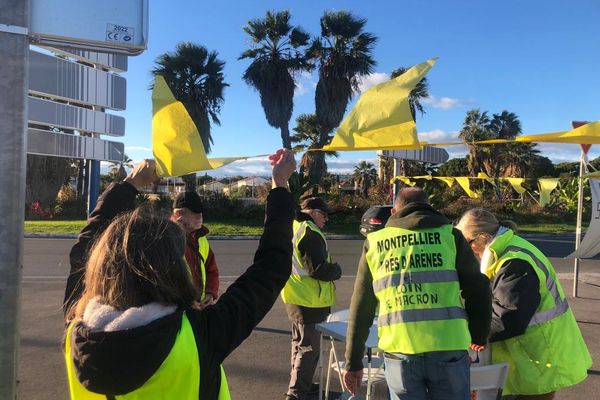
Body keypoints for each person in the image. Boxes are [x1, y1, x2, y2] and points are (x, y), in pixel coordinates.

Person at [63, 149, 297, 399]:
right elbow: (272, 266)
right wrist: (279, 184)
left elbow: (84, 248)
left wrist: (129, 184)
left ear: (100, 263)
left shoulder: (76, 325)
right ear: (173, 269)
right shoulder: (200, 335)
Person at [344, 187, 492, 400]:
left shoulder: (376, 243)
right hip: (448, 349)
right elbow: (478, 290)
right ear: (429, 207)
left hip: (399, 352)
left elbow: (361, 307)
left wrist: (353, 361)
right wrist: (478, 335)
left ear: (394, 212)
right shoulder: (450, 236)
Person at [455, 208, 592, 400]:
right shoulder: (509, 250)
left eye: (468, 243)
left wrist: (465, 334)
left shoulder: (515, 262)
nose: (469, 250)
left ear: (483, 237)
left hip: (540, 358)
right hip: (533, 356)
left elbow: (506, 317)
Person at [281, 197, 343, 400]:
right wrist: (336, 270)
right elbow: (319, 270)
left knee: (299, 344)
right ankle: (297, 392)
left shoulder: (294, 226)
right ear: (312, 212)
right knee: (309, 350)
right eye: (324, 215)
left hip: (295, 297)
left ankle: (299, 383)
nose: (326, 219)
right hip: (310, 301)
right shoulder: (310, 232)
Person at [172, 191, 220, 307]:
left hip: (200, 306)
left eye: (201, 212)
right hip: (178, 309)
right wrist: (185, 302)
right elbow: (164, 280)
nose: (200, 217)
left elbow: (211, 269)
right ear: (178, 215)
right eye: (194, 212)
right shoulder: (166, 238)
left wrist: (210, 292)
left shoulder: (201, 238)